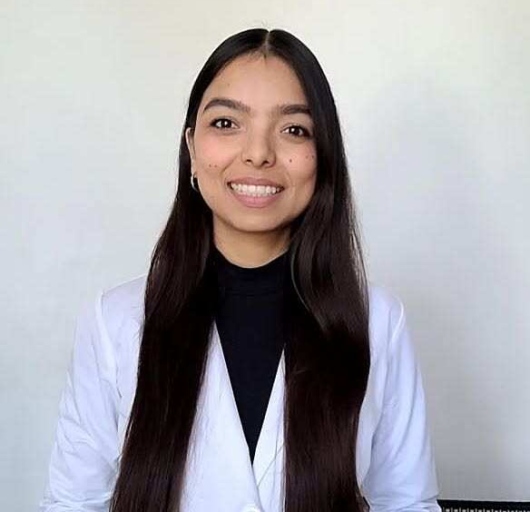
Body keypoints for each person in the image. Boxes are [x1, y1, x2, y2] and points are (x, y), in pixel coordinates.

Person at [39, 29, 440, 512]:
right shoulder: (114, 322)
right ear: (192, 147)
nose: (258, 153)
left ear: (324, 155)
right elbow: (73, 502)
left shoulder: (376, 321)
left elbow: (406, 503)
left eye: (294, 130)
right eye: (227, 122)